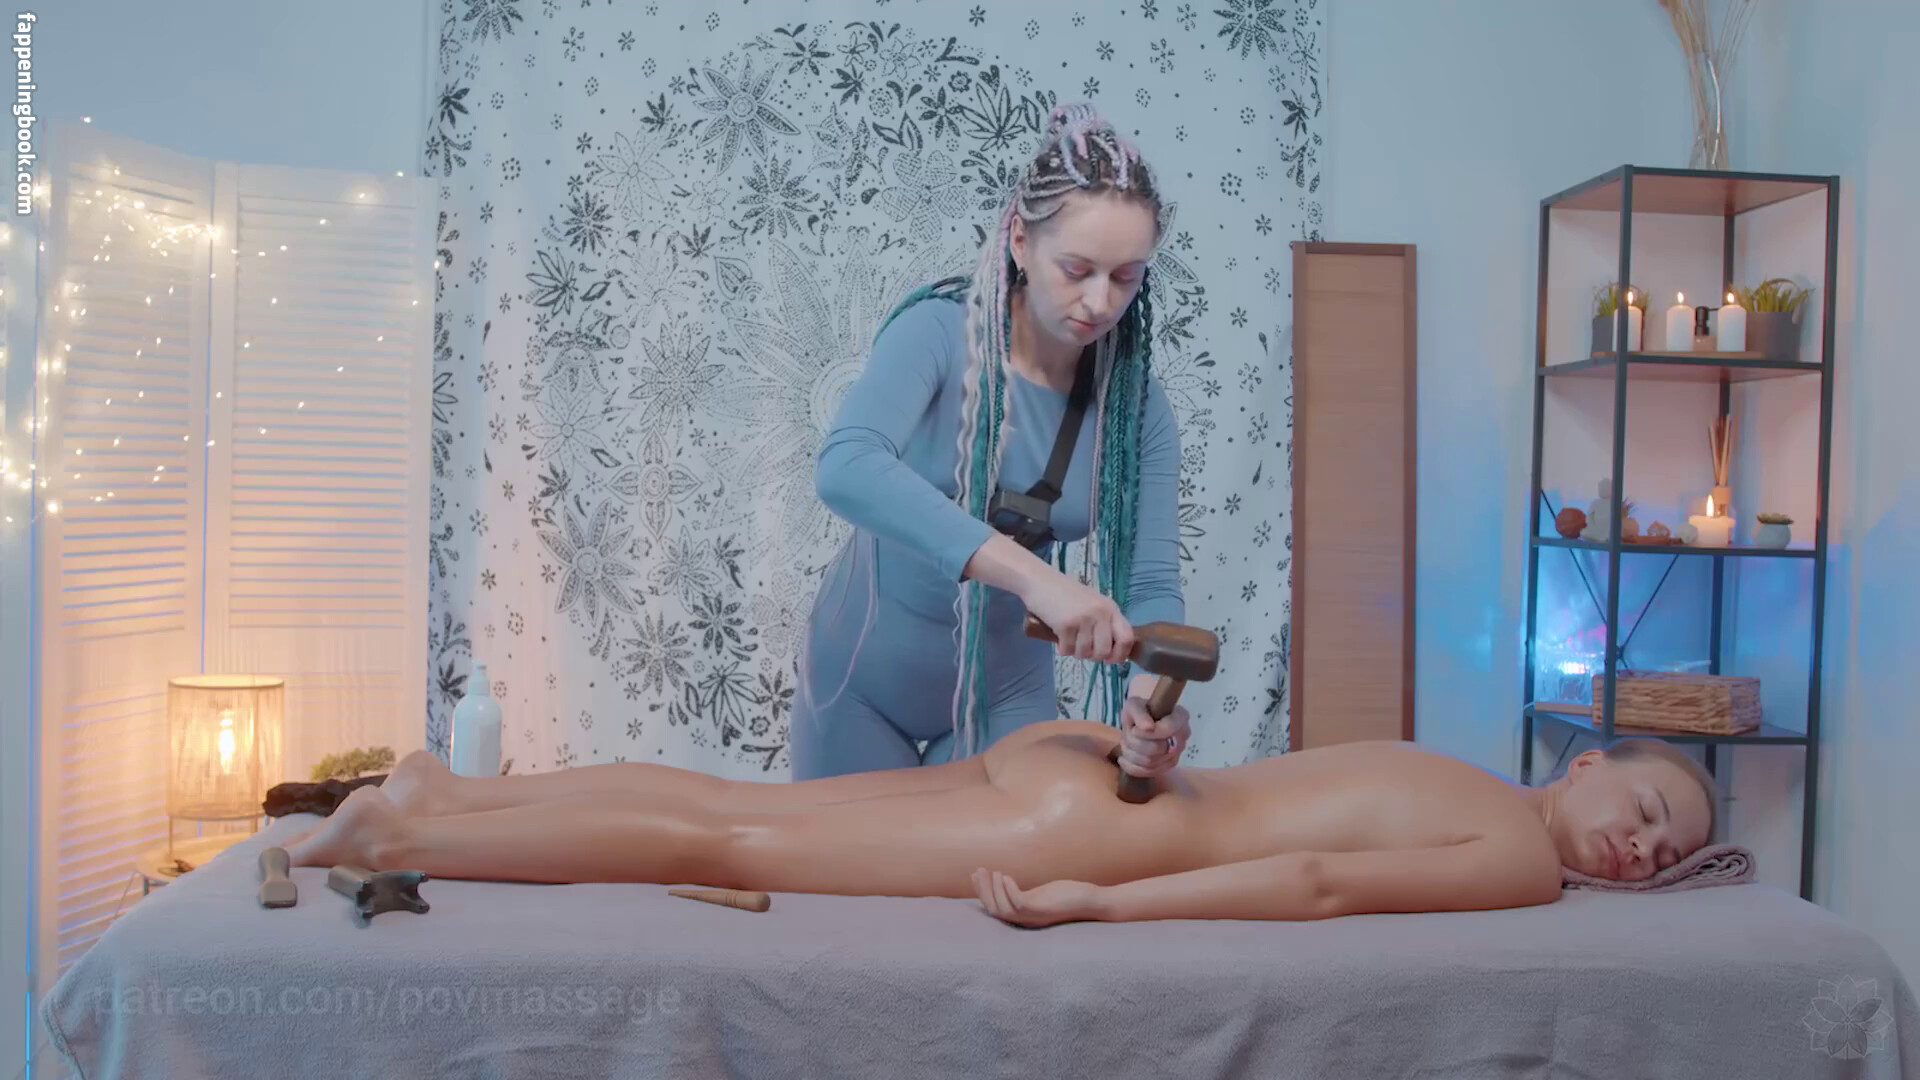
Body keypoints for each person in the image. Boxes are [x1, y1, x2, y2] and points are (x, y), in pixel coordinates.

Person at [283, 728, 1716, 928]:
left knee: (734, 804)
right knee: (728, 846)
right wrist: (1103, 905)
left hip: (1079, 767)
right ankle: (400, 837)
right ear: (1587, 760)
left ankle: (445, 797)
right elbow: (1316, 883)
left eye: (1670, 852)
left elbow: (1308, 841)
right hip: (1104, 833)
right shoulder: (1518, 855)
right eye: (1650, 806)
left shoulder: (1442, 755)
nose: (1645, 847)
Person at [793, 101, 1187, 781]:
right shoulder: (938, 332)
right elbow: (847, 466)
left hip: (1007, 694)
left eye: (1126, 276)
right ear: (1020, 242)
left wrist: (1150, 705)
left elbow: (1151, 585)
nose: (1101, 302)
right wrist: (1040, 581)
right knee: (845, 855)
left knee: (1001, 854)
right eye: (1077, 269)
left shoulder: (1139, 410)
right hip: (860, 684)